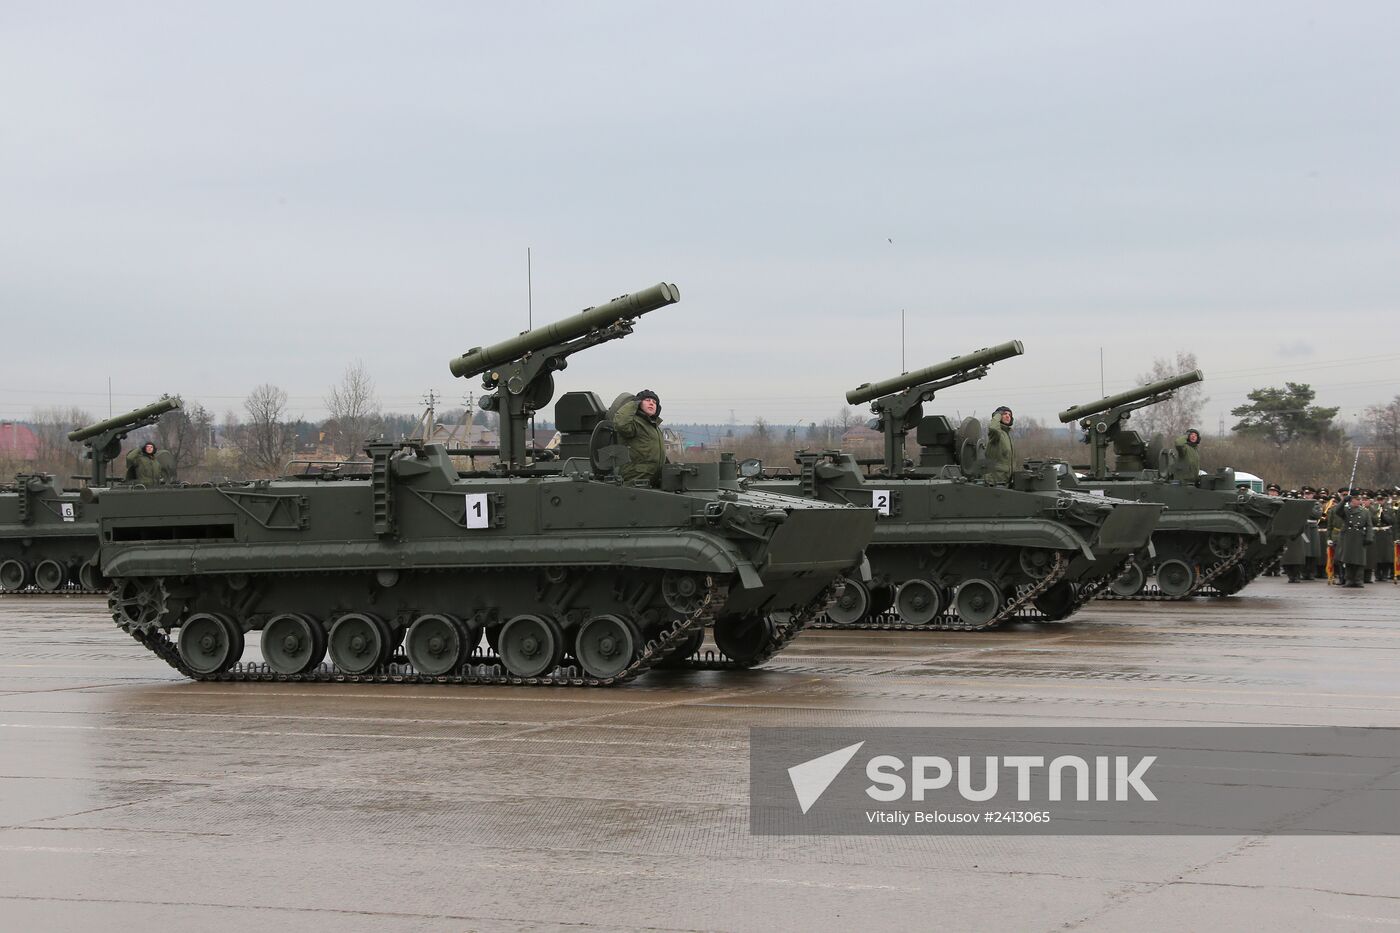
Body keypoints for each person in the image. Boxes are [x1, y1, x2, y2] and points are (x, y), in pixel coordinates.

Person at [612, 389, 666, 487]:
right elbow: (621, 424)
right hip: (636, 478)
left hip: (653, 479)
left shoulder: (654, 427)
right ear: (638, 403)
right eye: (647, 400)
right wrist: (634, 403)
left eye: (654, 402)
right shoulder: (634, 423)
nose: (651, 403)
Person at [1331, 494, 1374, 588]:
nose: (1359, 501)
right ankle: (1349, 580)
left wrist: (1369, 537)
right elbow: (1337, 511)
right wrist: (1343, 501)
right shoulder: (1346, 510)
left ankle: (1358, 580)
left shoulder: (1365, 512)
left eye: (1359, 500)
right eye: (1356, 499)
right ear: (1351, 501)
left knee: (1359, 560)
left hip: (1360, 536)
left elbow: (1369, 525)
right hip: (1348, 536)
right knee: (1348, 560)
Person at [984, 405, 1015, 485]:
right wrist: (997, 414)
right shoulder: (997, 434)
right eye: (1005, 414)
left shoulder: (1007, 435)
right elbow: (993, 428)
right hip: (995, 481)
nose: (1008, 416)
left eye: (1010, 415)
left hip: (1006, 481)